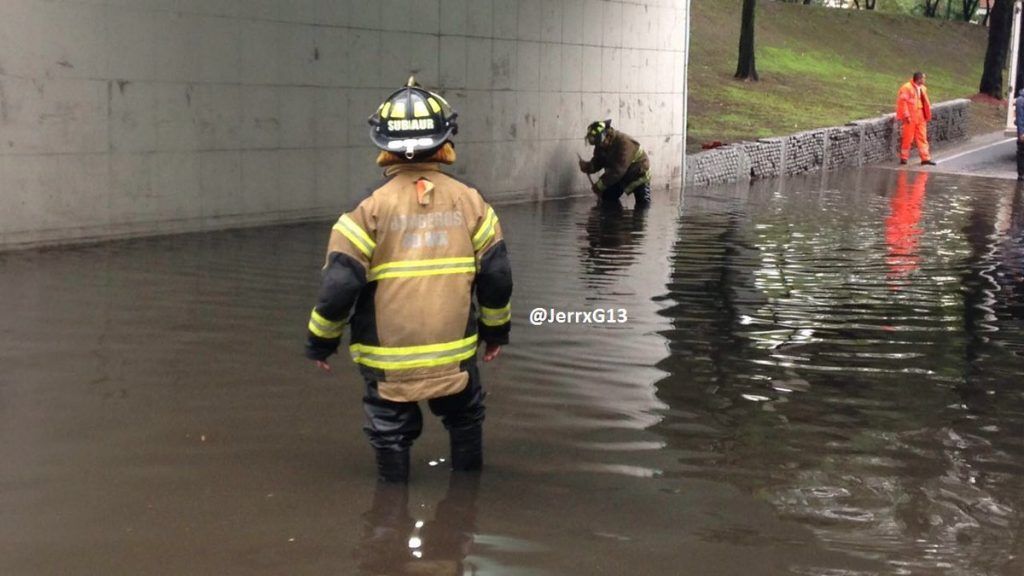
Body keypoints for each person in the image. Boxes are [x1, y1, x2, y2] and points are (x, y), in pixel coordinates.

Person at [304, 77, 513, 483]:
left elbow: (339, 286)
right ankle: (468, 498)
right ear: (445, 140)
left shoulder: (367, 211)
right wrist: (495, 333)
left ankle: (389, 510)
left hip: (388, 363)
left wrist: (320, 342)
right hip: (455, 357)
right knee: (465, 418)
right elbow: (497, 276)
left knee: (389, 433)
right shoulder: (472, 203)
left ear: (383, 145)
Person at [578, 120, 652, 206]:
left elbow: (618, 171)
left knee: (643, 205)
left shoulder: (624, 143)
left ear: (608, 136)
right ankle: (616, 214)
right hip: (620, 177)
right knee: (607, 198)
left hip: (638, 175)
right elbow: (598, 161)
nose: (599, 146)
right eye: (596, 144)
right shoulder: (601, 144)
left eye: (600, 143)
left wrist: (599, 185)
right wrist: (588, 167)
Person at [895, 71, 936, 166]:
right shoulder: (906, 88)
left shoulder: (923, 88)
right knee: (908, 138)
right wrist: (906, 115)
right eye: (924, 78)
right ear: (919, 79)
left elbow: (924, 103)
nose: (925, 80)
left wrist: (926, 115)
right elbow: (902, 102)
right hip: (911, 116)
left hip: (920, 116)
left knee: (922, 137)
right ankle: (904, 158)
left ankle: (925, 158)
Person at [1015, 88, 1024, 181]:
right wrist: (1021, 133)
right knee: (1021, 152)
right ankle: (1021, 174)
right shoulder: (1021, 101)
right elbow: (1020, 118)